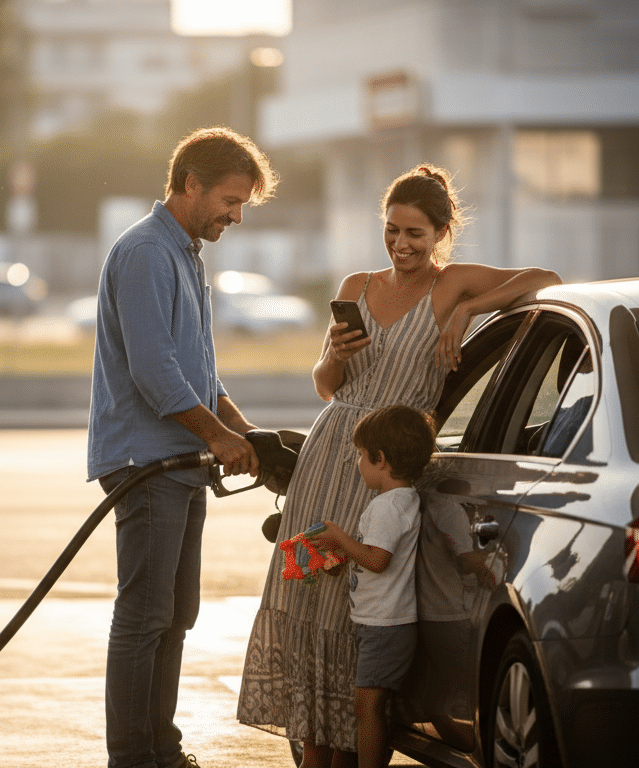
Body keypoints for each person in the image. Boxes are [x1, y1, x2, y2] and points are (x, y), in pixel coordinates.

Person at [236, 164, 561, 767]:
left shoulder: (452, 284)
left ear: (441, 233)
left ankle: (348, 745)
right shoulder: (357, 283)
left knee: (354, 604)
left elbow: (546, 277)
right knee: (305, 596)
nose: (401, 245)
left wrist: (468, 312)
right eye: (391, 231)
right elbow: (326, 388)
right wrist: (333, 353)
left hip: (388, 471)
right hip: (329, 453)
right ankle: (313, 748)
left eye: (415, 233)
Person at [88, 126, 279, 768]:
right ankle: (133, 758)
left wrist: (246, 436)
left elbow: (200, 373)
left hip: (182, 464)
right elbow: (154, 369)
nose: (237, 215)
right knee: (145, 617)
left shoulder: (185, 255)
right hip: (149, 464)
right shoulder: (146, 252)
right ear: (190, 184)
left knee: (174, 616)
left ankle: (160, 749)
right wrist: (220, 436)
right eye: (230, 199)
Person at [308, 405, 436, 768]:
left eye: (361, 456)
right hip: (379, 623)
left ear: (380, 459)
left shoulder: (388, 507)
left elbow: (378, 561)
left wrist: (339, 537)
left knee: (368, 708)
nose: (358, 464)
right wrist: (343, 554)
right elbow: (372, 555)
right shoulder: (400, 501)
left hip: (385, 627)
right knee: (369, 706)